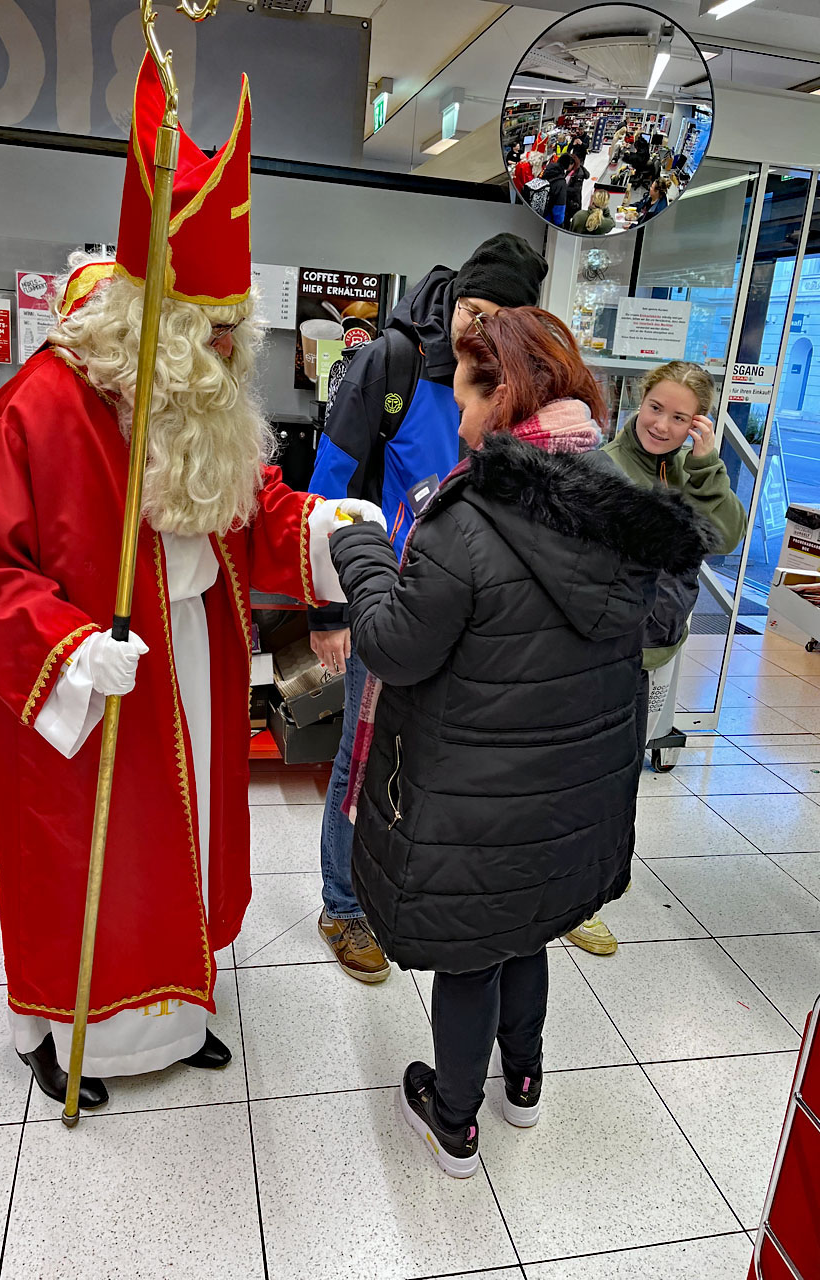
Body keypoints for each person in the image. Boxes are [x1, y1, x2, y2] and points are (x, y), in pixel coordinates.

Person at [0, 54, 366, 1110]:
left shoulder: (201, 398)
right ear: (155, 324)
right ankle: (65, 1029)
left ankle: (180, 1014)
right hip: (91, 684)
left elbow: (250, 506)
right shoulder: (39, 408)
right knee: (89, 854)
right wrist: (70, 646)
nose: (229, 353)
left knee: (185, 837)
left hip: (190, 656)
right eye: (210, 334)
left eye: (237, 332)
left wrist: (325, 524)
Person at [327, 308, 714, 1177]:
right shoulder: (629, 510)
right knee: (530, 933)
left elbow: (394, 646)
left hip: (477, 795)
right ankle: (524, 1085)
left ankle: (455, 1120)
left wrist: (358, 550)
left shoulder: (465, 522)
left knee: (471, 954)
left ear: (501, 395)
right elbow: (657, 621)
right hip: (572, 793)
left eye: (462, 389)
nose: (453, 411)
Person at [308, 234, 549, 982]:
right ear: (457, 298)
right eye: (475, 312)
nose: (482, 334)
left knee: (450, 763)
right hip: (389, 598)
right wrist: (327, 611)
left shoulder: (519, 372)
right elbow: (330, 478)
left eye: (504, 320)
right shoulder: (395, 361)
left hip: (478, 605)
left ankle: (414, 889)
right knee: (361, 756)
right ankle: (343, 906)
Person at [567, 360, 747, 957]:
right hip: (599, 652)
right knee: (583, 779)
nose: (662, 425)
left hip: (656, 649)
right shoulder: (605, 468)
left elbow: (723, 538)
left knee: (617, 781)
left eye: (680, 417)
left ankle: (584, 891)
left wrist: (706, 467)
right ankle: (569, 897)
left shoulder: (691, 471)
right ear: (637, 403)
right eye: (655, 409)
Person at [523, 156, 568, 226]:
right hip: (546, 222)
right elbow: (559, 209)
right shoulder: (561, 183)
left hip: (529, 218)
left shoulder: (541, 175)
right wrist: (560, 225)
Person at [563, 150, 590, 230]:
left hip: (573, 202)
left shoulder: (578, 174)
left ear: (572, 164)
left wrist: (563, 188)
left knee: (569, 220)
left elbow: (576, 190)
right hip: (569, 200)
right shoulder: (571, 171)